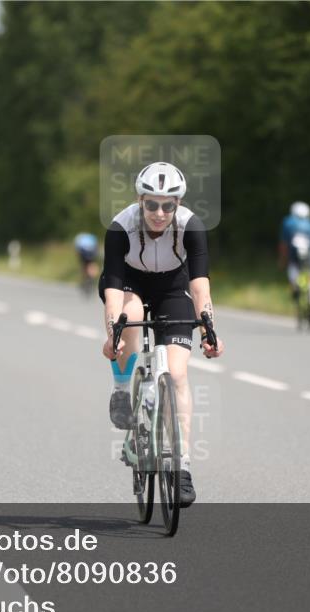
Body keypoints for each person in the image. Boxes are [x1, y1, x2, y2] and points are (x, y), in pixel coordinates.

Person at [100, 162, 224, 508]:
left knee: (179, 372)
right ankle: (123, 388)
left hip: (173, 285)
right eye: (151, 204)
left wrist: (209, 328)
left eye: (168, 205)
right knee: (131, 318)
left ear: (178, 204)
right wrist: (114, 333)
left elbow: (200, 286)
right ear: (140, 200)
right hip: (129, 283)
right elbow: (111, 288)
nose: (159, 212)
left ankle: (182, 467)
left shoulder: (191, 226)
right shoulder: (120, 227)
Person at [279, 201, 310, 322]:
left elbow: (284, 245)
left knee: (294, 273)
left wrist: (282, 261)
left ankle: (295, 288)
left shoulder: (287, 222)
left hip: (295, 259)